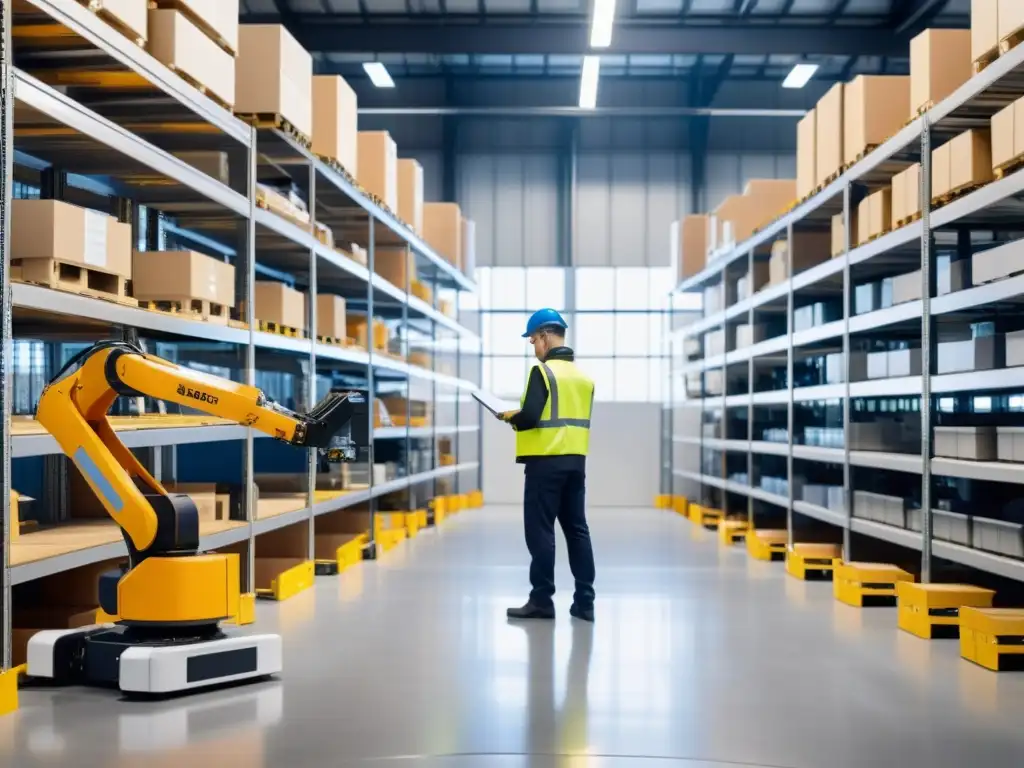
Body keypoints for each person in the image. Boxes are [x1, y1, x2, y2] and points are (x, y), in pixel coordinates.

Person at [498, 308, 596, 623]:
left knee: (540, 532)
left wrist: (508, 415)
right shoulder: (584, 377)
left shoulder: (543, 373)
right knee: (577, 530)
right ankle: (585, 602)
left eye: (532, 340)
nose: (532, 347)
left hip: (545, 465)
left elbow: (530, 417)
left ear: (544, 336)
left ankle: (541, 600)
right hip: (575, 464)